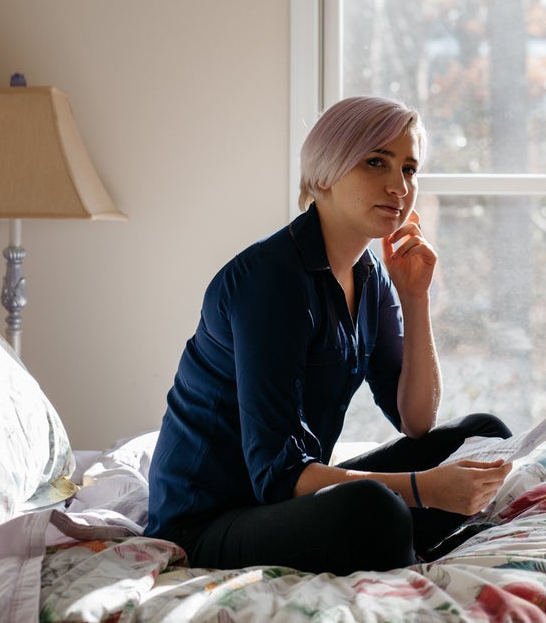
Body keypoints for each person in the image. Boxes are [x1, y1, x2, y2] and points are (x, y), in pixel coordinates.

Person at [145, 96, 512, 575]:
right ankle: (401, 537)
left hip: (287, 500)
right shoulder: (270, 282)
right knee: (373, 508)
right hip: (210, 522)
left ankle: (401, 535)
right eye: (375, 162)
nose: (398, 186)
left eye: (409, 169)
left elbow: (416, 421)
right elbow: (278, 478)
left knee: (483, 437)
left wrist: (415, 298)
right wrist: (425, 489)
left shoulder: (371, 275)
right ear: (323, 174)